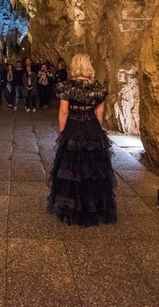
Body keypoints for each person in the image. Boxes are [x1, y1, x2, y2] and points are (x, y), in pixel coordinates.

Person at [47, 53, 116, 226]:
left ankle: (72, 207)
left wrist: (63, 134)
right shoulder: (98, 88)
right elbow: (99, 114)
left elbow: (64, 112)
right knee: (93, 171)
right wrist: (93, 129)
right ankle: (94, 206)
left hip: (73, 128)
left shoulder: (67, 87)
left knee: (72, 171)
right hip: (92, 128)